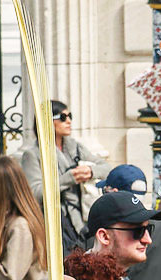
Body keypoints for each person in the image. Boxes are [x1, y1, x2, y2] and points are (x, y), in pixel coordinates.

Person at [21, 99, 108, 253]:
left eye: (70, 116)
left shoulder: (75, 147)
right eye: (62, 117)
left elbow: (107, 168)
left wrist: (90, 171)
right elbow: (34, 193)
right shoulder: (33, 155)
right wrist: (69, 178)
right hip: (55, 224)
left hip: (83, 220)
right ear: (48, 121)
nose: (68, 121)